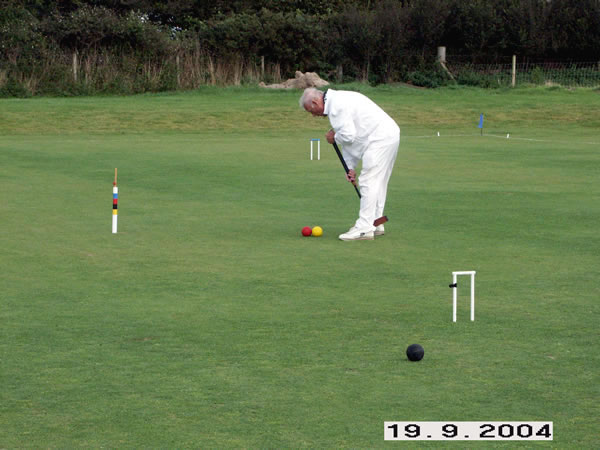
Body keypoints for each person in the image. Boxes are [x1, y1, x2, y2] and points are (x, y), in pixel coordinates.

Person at [299, 87, 400, 241]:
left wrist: (334, 138)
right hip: (388, 135)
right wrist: (350, 167)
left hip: (380, 138)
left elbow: (348, 136)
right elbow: (351, 140)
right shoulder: (337, 101)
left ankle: (364, 228)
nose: (313, 115)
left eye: (311, 111)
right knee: (378, 181)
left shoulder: (336, 107)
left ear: (315, 102)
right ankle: (376, 222)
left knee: (368, 180)